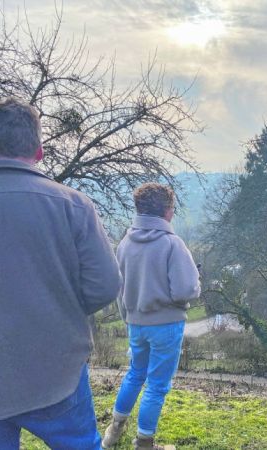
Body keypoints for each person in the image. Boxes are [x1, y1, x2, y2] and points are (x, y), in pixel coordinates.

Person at [0, 97, 121, 449]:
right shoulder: (73, 205)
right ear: (39, 151)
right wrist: (59, 306)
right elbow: (105, 285)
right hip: (57, 370)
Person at [102, 183, 201, 450]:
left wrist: (128, 317)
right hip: (166, 325)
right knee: (157, 385)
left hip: (135, 323)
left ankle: (114, 430)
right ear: (168, 212)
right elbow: (185, 289)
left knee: (135, 374)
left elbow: (119, 290)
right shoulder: (172, 244)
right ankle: (144, 443)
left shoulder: (124, 243)